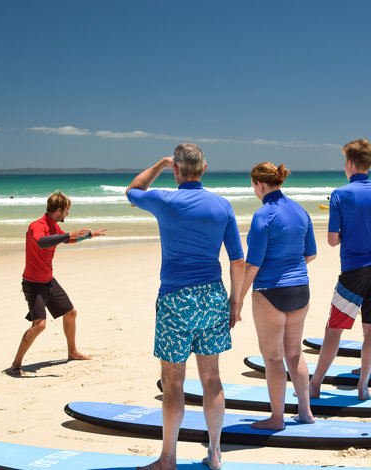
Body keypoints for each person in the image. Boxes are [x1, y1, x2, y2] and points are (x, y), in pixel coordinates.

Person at [126, 143, 245, 470]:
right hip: (213, 297)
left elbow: (133, 191)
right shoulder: (222, 205)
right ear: (204, 169)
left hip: (176, 299)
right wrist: (235, 301)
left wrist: (160, 164)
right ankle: (215, 453)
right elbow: (237, 260)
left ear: (176, 170)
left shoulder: (165, 200)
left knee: (173, 381)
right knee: (211, 377)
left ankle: (168, 458)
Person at [309, 138, 371, 401]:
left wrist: (350, 234)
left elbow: (332, 240)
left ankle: (315, 384)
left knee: (334, 329)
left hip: (354, 271)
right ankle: (363, 387)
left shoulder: (340, 194)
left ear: (349, 164)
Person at [238, 162, 317, 430]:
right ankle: (305, 412)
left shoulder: (263, 215)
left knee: (272, 358)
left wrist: (237, 300)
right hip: (300, 290)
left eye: (253, 186)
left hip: (270, 291)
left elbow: (253, 264)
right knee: (294, 353)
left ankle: (276, 418)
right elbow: (310, 254)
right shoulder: (301, 211)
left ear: (259, 184)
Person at [10, 191, 106, 376]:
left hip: (48, 280)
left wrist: (89, 235)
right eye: (66, 211)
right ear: (59, 210)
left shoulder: (53, 226)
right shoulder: (37, 226)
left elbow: (68, 240)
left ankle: (72, 352)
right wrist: (68, 234)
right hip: (33, 283)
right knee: (39, 325)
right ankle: (15, 365)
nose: (67, 214)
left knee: (70, 313)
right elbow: (42, 243)